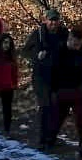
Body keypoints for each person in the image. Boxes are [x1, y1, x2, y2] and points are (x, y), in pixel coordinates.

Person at [23, 9, 68, 146]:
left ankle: (51, 136)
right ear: (46, 20)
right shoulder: (38, 35)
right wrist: (37, 55)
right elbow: (25, 51)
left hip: (58, 76)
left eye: (56, 20)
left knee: (58, 108)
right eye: (51, 20)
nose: (53, 23)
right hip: (41, 76)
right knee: (45, 107)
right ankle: (43, 139)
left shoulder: (64, 34)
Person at [45, 27, 82, 151]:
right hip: (61, 89)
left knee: (81, 118)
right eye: (75, 44)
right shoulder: (59, 50)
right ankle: (50, 140)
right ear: (69, 39)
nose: (77, 47)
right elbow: (52, 72)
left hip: (77, 89)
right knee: (58, 117)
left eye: (79, 44)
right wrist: (53, 91)